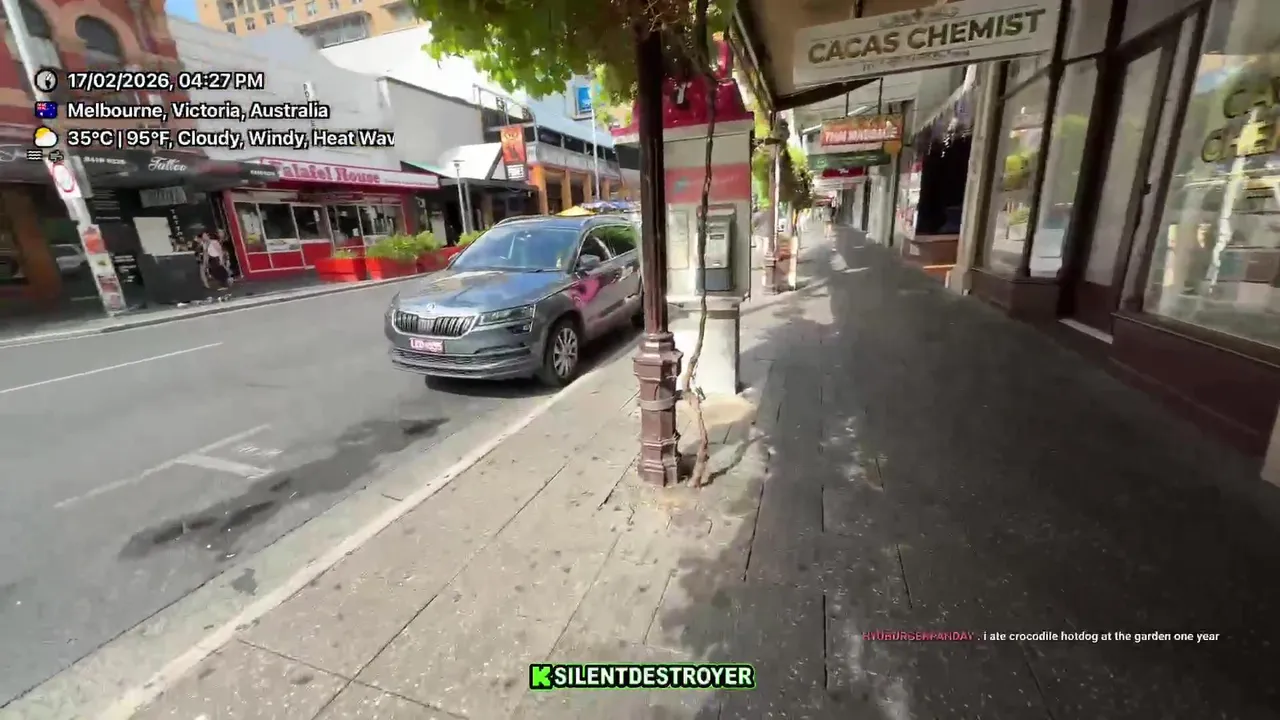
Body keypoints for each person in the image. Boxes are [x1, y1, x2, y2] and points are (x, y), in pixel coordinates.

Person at [200, 230, 232, 299]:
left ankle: (225, 284)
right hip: (211, 259)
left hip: (216, 257)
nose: (204, 237)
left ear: (208, 236)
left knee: (220, 270)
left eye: (205, 235)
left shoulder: (214, 242)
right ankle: (223, 283)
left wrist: (221, 259)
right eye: (203, 236)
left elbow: (220, 251)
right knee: (214, 271)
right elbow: (205, 253)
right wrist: (206, 262)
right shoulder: (204, 244)